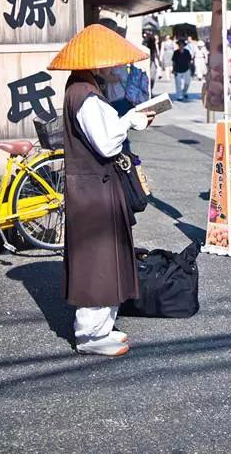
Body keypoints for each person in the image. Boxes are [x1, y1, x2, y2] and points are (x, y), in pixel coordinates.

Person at [48, 24, 155, 357]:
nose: (117, 66)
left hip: (95, 186)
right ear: (96, 64)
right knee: (97, 259)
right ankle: (90, 335)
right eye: (112, 62)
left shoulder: (84, 88)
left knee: (105, 256)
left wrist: (129, 119)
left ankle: (102, 328)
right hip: (94, 188)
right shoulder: (85, 94)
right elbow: (107, 144)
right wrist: (130, 121)